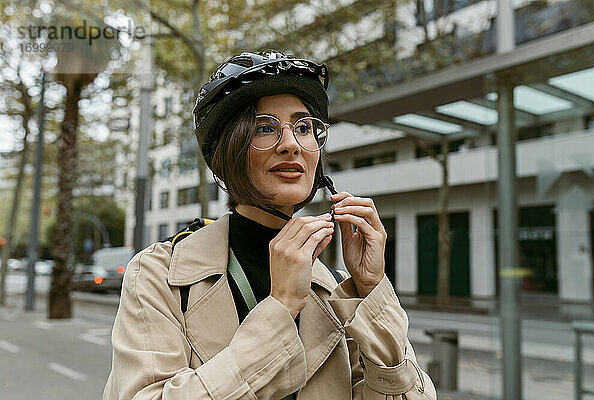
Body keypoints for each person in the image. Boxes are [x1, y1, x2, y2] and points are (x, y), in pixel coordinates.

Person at [103, 51, 436, 400]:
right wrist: (280, 307)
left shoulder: (337, 289)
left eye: (304, 127)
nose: (291, 145)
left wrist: (370, 291)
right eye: (265, 128)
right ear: (227, 152)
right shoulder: (159, 275)